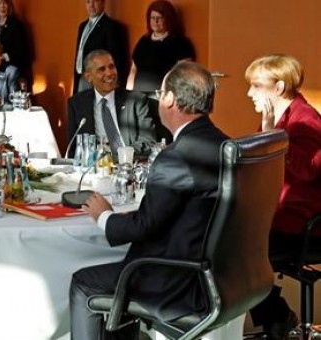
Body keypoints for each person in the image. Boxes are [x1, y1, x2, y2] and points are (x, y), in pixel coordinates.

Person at [69, 61, 229, 340]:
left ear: (169, 99)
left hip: (176, 279)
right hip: (222, 275)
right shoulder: (228, 145)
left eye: (160, 93)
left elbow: (145, 225)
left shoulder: (176, 156)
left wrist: (104, 216)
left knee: (84, 284)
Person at [245, 54, 321, 340]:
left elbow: (309, 170)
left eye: (255, 85)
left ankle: (277, 317)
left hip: (301, 226)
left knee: (230, 250)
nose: (249, 92)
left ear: (278, 87)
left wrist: (272, 135)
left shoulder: (305, 119)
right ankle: (276, 317)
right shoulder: (275, 119)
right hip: (274, 219)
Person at [67, 49, 155, 158]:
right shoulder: (76, 104)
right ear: (88, 77)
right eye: (101, 69)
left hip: (128, 165)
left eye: (111, 67)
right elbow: (74, 147)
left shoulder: (136, 101)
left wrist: (120, 156)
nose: (109, 73)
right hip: (94, 167)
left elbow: (148, 142)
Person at [126, 0, 195, 96]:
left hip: (161, 97)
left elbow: (183, 73)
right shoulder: (144, 40)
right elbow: (133, 69)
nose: (155, 21)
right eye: (152, 18)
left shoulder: (180, 42)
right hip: (137, 96)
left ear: (168, 19)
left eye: (159, 18)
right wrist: (129, 93)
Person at [73, 0, 128, 93]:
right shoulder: (82, 26)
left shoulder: (112, 27)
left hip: (100, 81)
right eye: (88, 2)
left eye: (95, 1)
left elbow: (117, 59)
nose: (91, 5)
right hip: (82, 78)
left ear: (103, 3)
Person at [0, 0, 32, 83]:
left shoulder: (16, 24)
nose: (2, 6)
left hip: (10, 70)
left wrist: (4, 57)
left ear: (9, 5)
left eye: (5, 3)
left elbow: (22, 50)